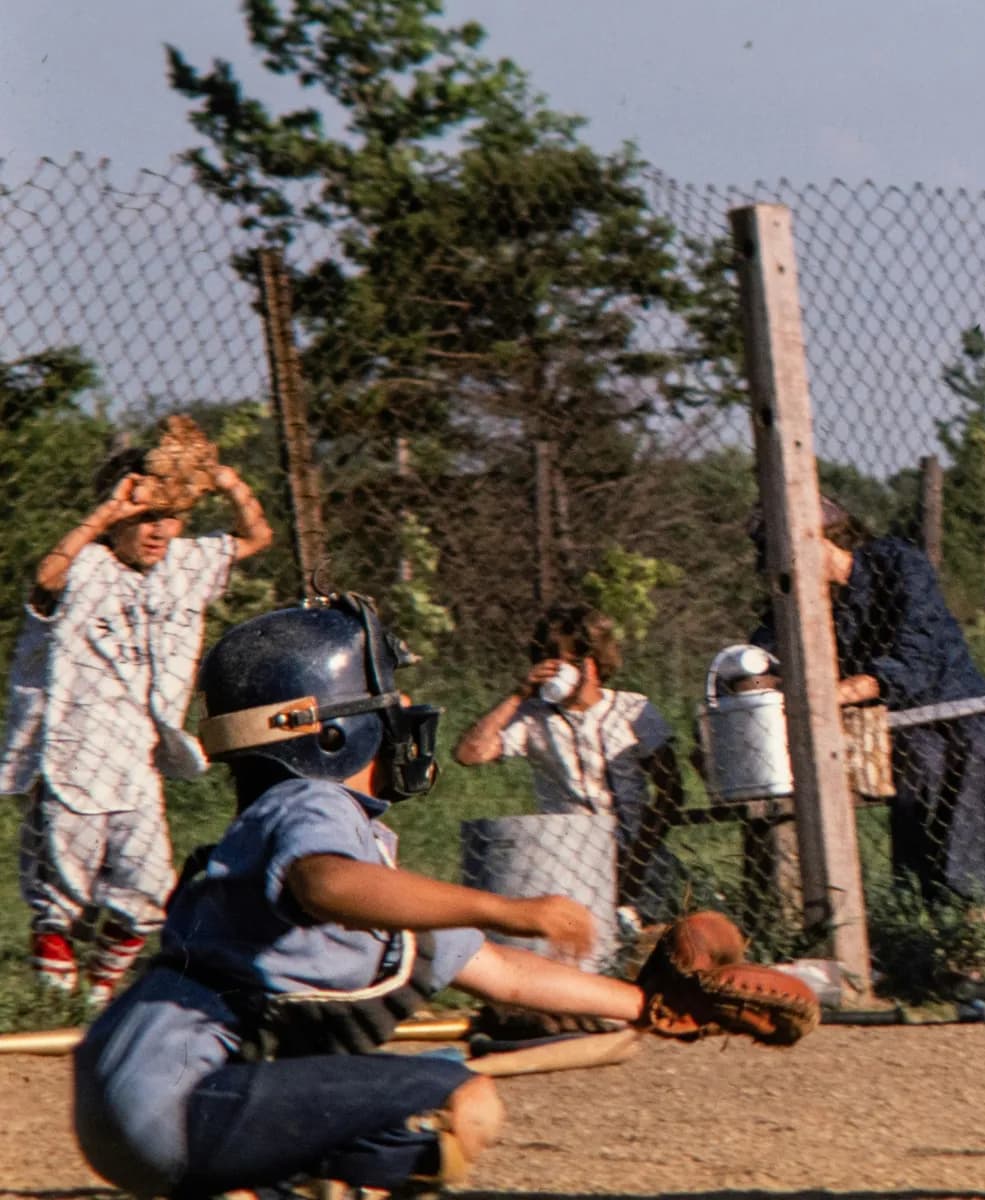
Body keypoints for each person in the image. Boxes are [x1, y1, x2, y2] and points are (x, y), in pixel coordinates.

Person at [71, 594, 649, 1198]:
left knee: (425, 1077)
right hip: (178, 1102)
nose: (404, 713)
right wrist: (504, 907)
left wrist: (652, 1008)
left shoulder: (315, 836)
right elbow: (327, 884)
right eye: (386, 699)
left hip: (139, 1102)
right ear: (330, 734)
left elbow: (501, 971)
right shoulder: (311, 804)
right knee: (454, 1100)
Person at [1, 435, 272, 1005]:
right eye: (145, 517)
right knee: (63, 896)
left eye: (170, 519)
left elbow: (256, 537)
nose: (158, 531)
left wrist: (226, 482)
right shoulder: (89, 565)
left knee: (149, 892)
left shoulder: (183, 564)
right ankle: (50, 999)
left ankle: (98, 994)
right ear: (116, 517)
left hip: (137, 757)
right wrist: (105, 512)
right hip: (70, 748)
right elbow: (47, 580)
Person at [755, 499, 985, 911]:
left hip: (965, 706)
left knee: (982, 753)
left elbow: (917, 656)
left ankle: (969, 905)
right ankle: (918, 902)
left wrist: (832, 694)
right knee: (921, 767)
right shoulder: (797, 603)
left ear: (821, 542)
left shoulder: (897, 564)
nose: (783, 574)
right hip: (896, 726)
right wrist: (757, 681)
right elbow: (756, 659)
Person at [453, 604, 686, 924]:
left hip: (639, 851)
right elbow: (469, 753)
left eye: (565, 661)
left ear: (590, 664)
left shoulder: (632, 709)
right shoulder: (533, 718)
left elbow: (671, 790)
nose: (555, 668)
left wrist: (640, 855)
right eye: (548, 661)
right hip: (570, 857)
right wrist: (519, 695)